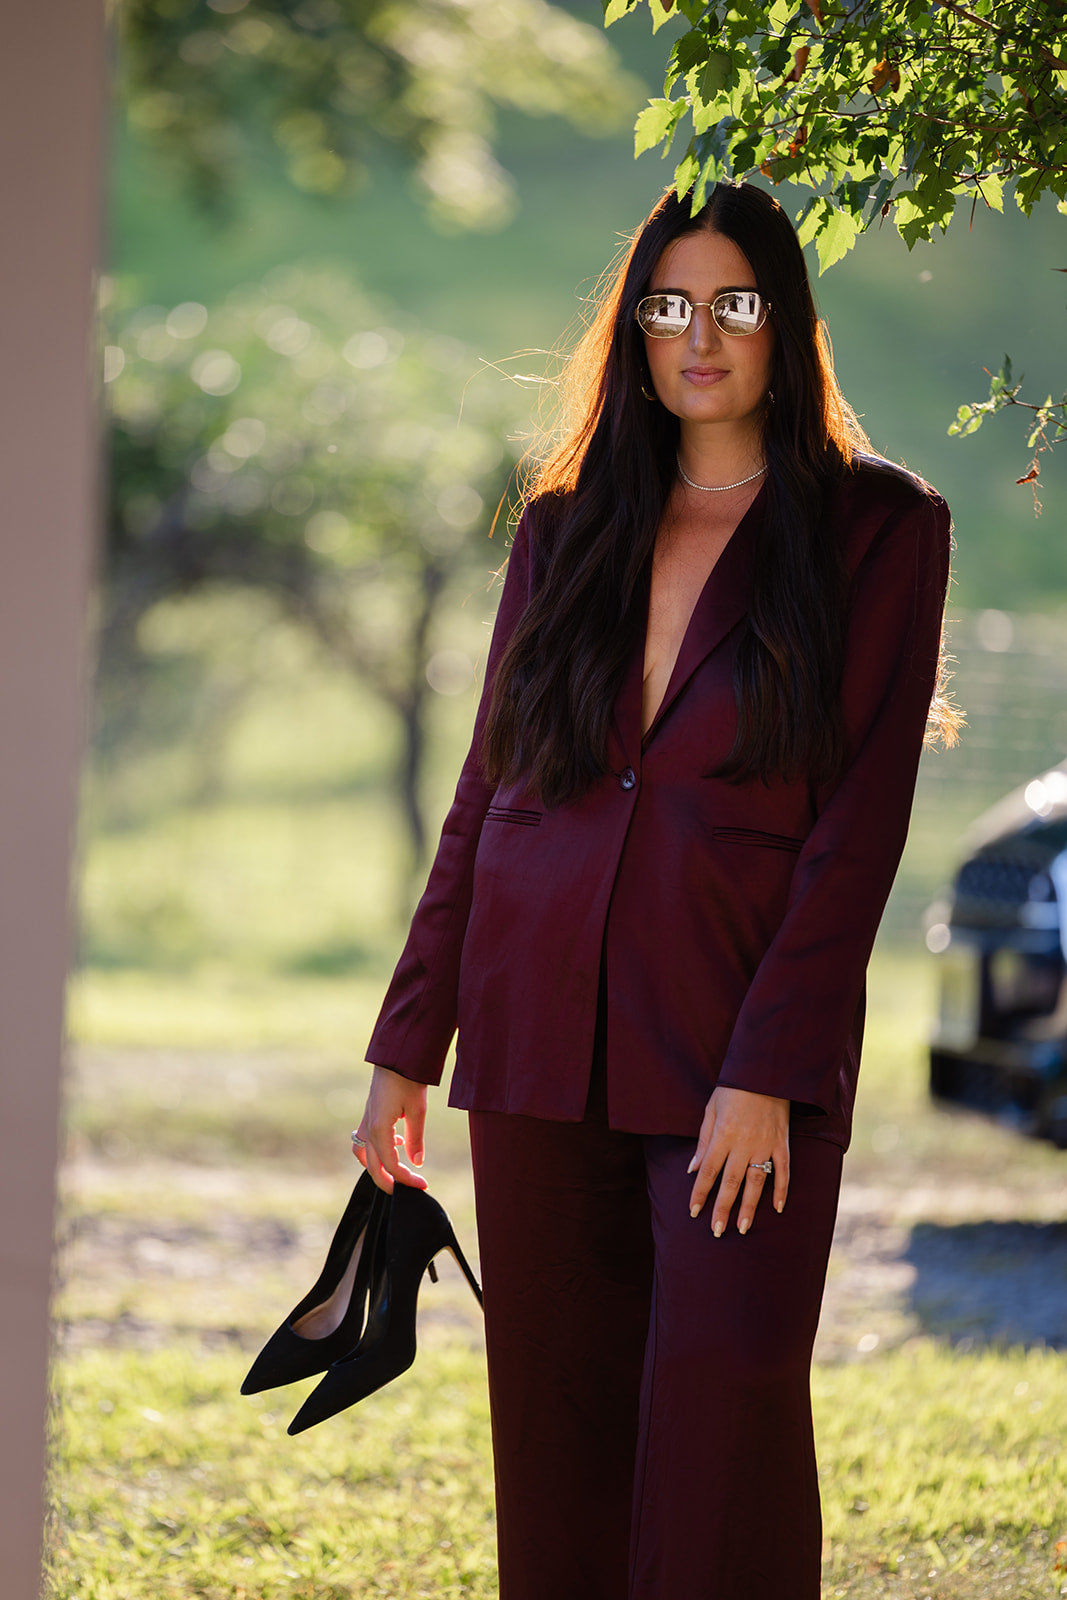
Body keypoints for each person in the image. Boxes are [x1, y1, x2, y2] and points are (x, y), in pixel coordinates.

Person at [350, 180, 956, 1600]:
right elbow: (491, 790)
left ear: (785, 325)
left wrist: (770, 1073)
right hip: (533, 1028)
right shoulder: (567, 525)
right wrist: (404, 1044)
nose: (701, 336)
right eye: (669, 306)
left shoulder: (879, 529)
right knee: (559, 1442)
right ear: (634, 332)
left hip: (732, 1051)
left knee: (720, 1422)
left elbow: (857, 831)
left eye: (734, 304)